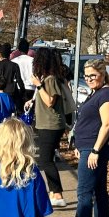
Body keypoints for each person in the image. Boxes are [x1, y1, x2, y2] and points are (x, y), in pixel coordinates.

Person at [57, 59, 109, 217]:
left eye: (93, 75)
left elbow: (107, 125)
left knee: (84, 194)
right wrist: (81, 146)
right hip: (88, 148)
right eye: (86, 75)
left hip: (94, 150)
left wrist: (95, 151)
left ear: (102, 74)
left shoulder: (106, 95)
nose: (89, 79)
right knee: (98, 193)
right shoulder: (97, 93)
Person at [26, 47, 68, 207]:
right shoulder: (49, 78)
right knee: (47, 159)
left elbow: (50, 101)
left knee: (45, 160)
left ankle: (57, 193)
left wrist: (37, 85)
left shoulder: (50, 79)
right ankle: (54, 192)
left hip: (50, 125)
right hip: (47, 123)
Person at [11, 39, 36, 110]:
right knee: (29, 111)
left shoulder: (14, 61)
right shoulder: (33, 61)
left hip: (17, 88)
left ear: (19, 49)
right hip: (30, 88)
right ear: (28, 49)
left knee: (18, 110)